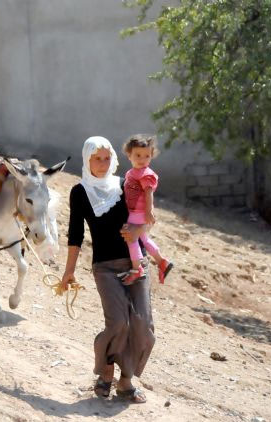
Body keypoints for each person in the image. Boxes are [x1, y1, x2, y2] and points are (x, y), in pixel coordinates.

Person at [60, 136, 155, 404]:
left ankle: (126, 381)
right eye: (96, 158)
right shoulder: (79, 192)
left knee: (143, 325)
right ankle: (106, 369)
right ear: (87, 159)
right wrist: (69, 271)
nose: (102, 164)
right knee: (119, 323)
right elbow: (75, 234)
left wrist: (138, 230)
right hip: (104, 267)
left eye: (106, 158)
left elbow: (144, 215)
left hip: (136, 263)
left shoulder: (126, 184)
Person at [119, 134, 173, 285]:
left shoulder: (146, 174)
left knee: (131, 237)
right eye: (138, 155)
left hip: (139, 213)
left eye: (146, 156)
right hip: (135, 211)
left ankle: (137, 269)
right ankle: (162, 261)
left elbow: (149, 194)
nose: (142, 159)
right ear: (129, 155)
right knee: (144, 238)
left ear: (151, 156)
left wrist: (148, 212)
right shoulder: (131, 173)